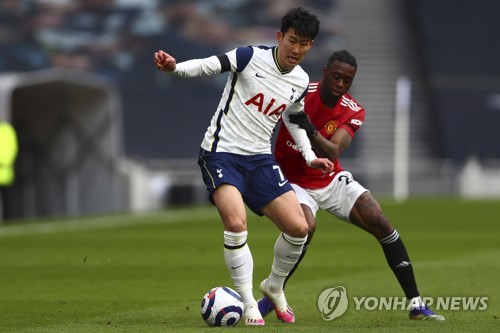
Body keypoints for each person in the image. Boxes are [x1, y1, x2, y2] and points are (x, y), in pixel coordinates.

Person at [154, 7, 334, 326]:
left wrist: (308, 156)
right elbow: (209, 65)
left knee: (299, 229)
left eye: (305, 43)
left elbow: (292, 118)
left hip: (260, 159)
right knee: (236, 224)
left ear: (311, 45)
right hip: (221, 153)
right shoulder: (249, 56)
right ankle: (249, 302)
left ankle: (274, 286)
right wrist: (174, 68)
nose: (297, 49)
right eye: (292, 40)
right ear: (279, 36)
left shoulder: (301, 79)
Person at [258, 50, 444, 321]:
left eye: (348, 80)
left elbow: (334, 151)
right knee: (304, 229)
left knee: (379, 219)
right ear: (324, 72)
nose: (341, 84)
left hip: (330, 178)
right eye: (336, 76)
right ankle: (269, 298)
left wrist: (311, 130)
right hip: (293, 181)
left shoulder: (353, 110)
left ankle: (416, 304)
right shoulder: (298, 91)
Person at [0, 119, 18, 221]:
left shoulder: (7, 130)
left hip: (5, 173)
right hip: (5, 172)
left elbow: (12, 148)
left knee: (7, 201)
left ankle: (9, 220)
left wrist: (3, 161)